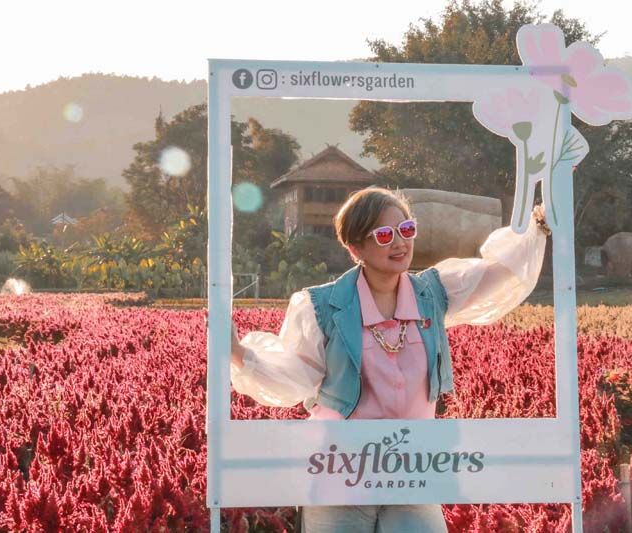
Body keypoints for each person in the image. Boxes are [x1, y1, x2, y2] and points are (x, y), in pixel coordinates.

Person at [229, 186, 550, 532]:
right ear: (355, 248)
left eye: (406, 230)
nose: (399, 243)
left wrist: (539, 223)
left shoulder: (433, 294)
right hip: (340, 474)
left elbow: (498, 274)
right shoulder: (322, 307)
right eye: (384, 235)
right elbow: (295, 377)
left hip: (413, 471)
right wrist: (236, 353)